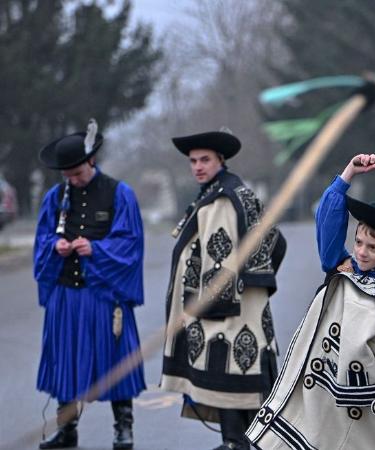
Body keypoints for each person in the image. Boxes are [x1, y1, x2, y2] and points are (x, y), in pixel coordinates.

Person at [246, 154, 375, 450]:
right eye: (359, 243)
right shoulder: (344, 268)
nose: (362, 253)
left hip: (369, 405)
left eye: (373, 247)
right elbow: (327, 225)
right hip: (325, 397)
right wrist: (348, 172)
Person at [159, 130, 287, 450]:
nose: (198, 166)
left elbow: (224, 254)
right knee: (232, 368)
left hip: (228, 304)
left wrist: (214, 303)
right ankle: (235, 441)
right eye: (193, 161)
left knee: (231, 367)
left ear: (221, 160)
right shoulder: (226, 191)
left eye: (205, 160)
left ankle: (238, 442)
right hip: (237, 301)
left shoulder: (225, 197)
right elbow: (275, 242)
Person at [34, 120, 145, 450]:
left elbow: (131, 244)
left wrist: (96, 249)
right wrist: (55, 247)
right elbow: (41, 239)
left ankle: (123, 430)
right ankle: (67, 432)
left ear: (91, 162)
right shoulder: (55, 198)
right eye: (67, 175)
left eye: (78, 173)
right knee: (65, 362)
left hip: (105, 296)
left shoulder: (119, 193)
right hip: (67, 295)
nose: (73, 180)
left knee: (116, 362)